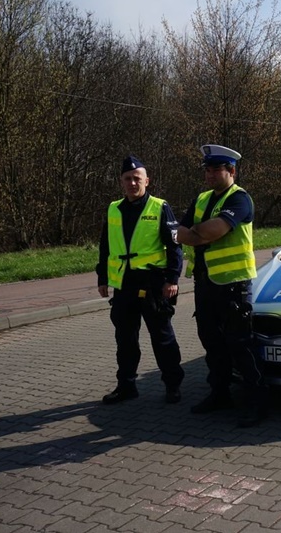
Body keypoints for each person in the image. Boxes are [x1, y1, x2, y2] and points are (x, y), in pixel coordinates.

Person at [177, 144, 268, 427]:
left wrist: (196, 233)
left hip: (233, 286)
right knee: (212, 344)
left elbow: (211, 231)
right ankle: (219, 394)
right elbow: (180, 232)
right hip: (205, 285)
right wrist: (195, 234)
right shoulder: (202, 199)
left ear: (232, 171)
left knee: (241, 346)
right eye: (207, 170)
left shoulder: (240, 199)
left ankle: (257, 402)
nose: (210, 175)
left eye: (216, 169)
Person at [96, 155, 185, 405]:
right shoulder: (114, 208)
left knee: (162, 337)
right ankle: (126, 386)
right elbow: (105, 246)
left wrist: (172, 279)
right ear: (121, 182)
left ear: (147, 180)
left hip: (153, 284)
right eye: (128, 179)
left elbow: (175, 246)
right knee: (125, 340)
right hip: (124, 284)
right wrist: (102, 277)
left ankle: (172, 385)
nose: (132, 183)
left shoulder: (159, 206)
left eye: (137, 178)